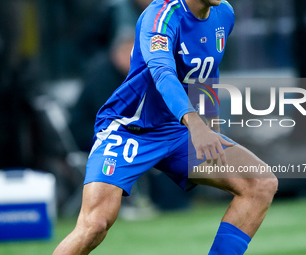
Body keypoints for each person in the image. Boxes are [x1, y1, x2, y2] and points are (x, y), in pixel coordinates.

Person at [53, 0, 278, 254]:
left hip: (177, 130)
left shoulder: (224, 14)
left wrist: (211, 125)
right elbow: (162, 73)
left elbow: (206, 74)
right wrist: (197, 125)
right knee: (95, 224)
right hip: (130, 128)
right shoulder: (159, 16)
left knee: (259, 183)